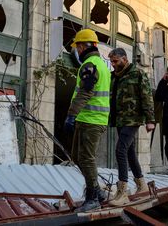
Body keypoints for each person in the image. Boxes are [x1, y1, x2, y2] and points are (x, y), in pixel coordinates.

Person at [64, 29, 110, 212]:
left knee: (86, 158)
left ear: (82, 46)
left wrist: (71, 115)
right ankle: (97, 192)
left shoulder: (90, 65)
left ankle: (92, 198)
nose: (76, 50)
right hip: (89, 119)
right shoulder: (101, 64)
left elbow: (85, 92)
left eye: (77, 46)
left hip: (91, 120)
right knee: (78, 157)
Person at [107, 48, 155, 206]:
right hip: (120, 119)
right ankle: (141, 186)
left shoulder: (138, 73)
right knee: (129, 152)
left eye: (115, 61)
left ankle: (122, 191)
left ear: (124, 59)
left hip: (133, 119)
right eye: (111, 62)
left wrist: (150, 120)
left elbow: (146, 97)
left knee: (120, 149)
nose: (113, 64)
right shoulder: (114, 76)